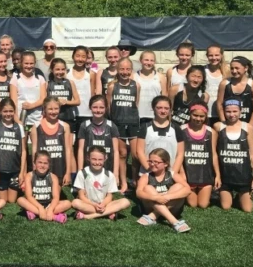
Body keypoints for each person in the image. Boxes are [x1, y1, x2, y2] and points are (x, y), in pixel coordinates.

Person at [215, 100, 253, 212]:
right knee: (226, 206)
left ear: (240, 111)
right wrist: (216, 175)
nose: (232, 114)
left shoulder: (248, 127)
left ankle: (241, 195)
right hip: (225, 175)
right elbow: (214, 152)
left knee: (247, 209)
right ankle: (227, 193)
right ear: (224, 112)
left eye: (235, 111)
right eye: (228, 111)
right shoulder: (218, 127)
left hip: (243, 175)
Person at [136, 148, 192, 232]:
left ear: (165, 164)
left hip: (172, 208)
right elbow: (138, 193)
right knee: (147, 188)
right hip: (151, 207)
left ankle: (153, 216)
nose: (152, 164)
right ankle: (175, 222)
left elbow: (187, 190)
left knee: (179, 186)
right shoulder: (146, 176)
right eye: (150, 161)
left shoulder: (172, 174)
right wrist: (155, 198)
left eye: (156, 162)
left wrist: (167, 196)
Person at [176, 101, 219, 209]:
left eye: (201, 116)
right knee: (192, 204)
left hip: (205, 174)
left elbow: (213, 154)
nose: (198, 119)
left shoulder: (211, 132)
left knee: (203, 204)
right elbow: (179, 154)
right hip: (189, 175)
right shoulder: (181, 130)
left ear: (206, 116)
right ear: (190, 114)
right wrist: (181, 173)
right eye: (195, 115)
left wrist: (217, 175)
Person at [106, 58, 140, 193]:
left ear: (131, 70)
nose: (125, 72)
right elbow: (109, 106)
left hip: (132, 122)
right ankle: (123, 182)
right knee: (122, 153)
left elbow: (135, 104)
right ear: (117, 70)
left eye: (128, 69)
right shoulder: (112, 86)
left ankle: (136, 181)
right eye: (122, 69)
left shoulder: (136, 85)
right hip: (117, 122)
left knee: (136, 155)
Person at [71, 146, 131, 220]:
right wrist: (94, 205)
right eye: (94, 159)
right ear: (88, 158)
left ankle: (89, 216)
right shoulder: (82, 173)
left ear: (105, 159)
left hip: (105, 204)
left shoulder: (109, 175)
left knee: (125, 202)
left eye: (100, 159)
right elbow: (81, 196)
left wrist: (103, 204)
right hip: (89, 204)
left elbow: (109, 196)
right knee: (75, 202)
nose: (97, 162)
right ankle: (109, 212)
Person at [0, 98, 27, 203]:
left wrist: (22, 172)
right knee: (3, 200)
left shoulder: (19, 127)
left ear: (14, 111)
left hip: (14, 170)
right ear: (0, 111)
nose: (8, 114)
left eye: (10, 111)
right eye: (5, 111)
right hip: (0, 170)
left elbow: (23, 151)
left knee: (12, 200)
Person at [136, 96, 184, 177]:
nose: (163, 111)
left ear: (170, 110)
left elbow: (180, 153)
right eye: (159, 108)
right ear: (153, 108)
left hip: (169, 173)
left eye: (166, 108)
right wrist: (150, 170)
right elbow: (139, 151)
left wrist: (172, 173)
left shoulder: (176, 128)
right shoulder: (145, 127)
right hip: (148, 173)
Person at [17, 151, 71, 223]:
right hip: (34, 204)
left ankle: (35, 213)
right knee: (20, 200)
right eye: (40, 162)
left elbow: (56, 197)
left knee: (68, 203)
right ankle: (54, 216)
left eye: (45, 163)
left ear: (49, 165)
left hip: (49, 204)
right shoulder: (29, 176)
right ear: (34, 163)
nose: (42, 165)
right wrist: (40, 208)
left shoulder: (53, 177)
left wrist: (51, 209)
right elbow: (29, 196)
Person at [31, 97, 74, 187]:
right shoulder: (36, 126)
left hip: (59, 166)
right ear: (44, 109)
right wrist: (34, 167)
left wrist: (68, 172)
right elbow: (34, 149)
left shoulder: (65, 126)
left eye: (56, 109)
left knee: (56, 195)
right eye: (50, 109)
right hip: (42, 167)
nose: (53, 112)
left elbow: (68, 150)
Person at [76, 95, 120, 178]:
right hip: (88, 169)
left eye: (101, 107)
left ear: (106, 108)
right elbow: (80, 149)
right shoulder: (84, 125)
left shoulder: (111, 126)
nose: (98, 110)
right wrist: (80, 171)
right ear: (90, 107)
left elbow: (116, 151)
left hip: (107, 169)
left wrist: (116, 173)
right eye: (95, 107)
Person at [217, 56, 253, 125]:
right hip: (229, 125)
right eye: (232, 68)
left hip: (247, 123)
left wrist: (250, 125)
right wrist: (224, 123)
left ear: (246, 68)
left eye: (237, 68)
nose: (234, 71)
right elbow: (219, 104)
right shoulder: (224, 83)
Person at [10, 51, 47, 127]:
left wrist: (32, 106)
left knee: (35, 138)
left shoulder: (40, 79)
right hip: (22, 119)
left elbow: (43, 99)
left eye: (31, 63)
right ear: (21, 63)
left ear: (35, 63)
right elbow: (13, 101)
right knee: (23, 138)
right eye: (26, 63)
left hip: (37, 120)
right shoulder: (15, 79)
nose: (29, 66)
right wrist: (16, 119)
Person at [45, 58, 79, 129]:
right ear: (52, 70)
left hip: (68, 117)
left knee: (68, 139)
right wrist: (55, 102)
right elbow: (44, 102)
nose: (60, 72)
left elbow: (78, 101)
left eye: (63, 69)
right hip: (52, 117)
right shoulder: (47, 84)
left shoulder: (70, 82)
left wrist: (66, 102)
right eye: (57, 69)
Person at [134, 50, 167, 125]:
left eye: (152, 60)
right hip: (138, 115)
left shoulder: (161, 77)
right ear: (140, 60)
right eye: (146, 60)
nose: (149, 63)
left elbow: (164, 97)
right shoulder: (133, 76)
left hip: (155, 116)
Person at [67, 46, 95, 129]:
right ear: (73, 56)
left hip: (86, 113)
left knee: (83, 140)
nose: (80, 59)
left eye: (83, 57)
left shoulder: (91, 74)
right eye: (77, 56)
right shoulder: (67, 73)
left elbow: (92, 95)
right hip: (70, 113)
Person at [205, 45, 230, 125]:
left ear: (221, 55)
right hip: (205, 113)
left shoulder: (228, 71)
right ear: (207, 56)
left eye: (216, 55)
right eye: (211, 55)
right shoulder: (202, 70)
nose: (213, 58)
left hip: (222, 113)